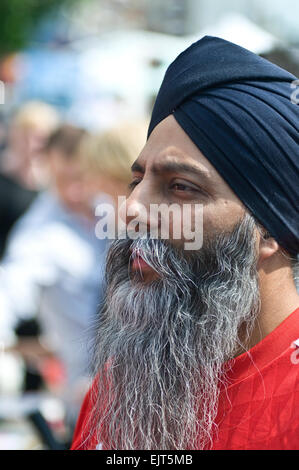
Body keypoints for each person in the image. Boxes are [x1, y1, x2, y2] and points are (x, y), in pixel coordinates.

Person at [71, 36, 299, 450]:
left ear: (268, 228)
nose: (132, 210)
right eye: (136, 181)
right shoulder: (122, 387)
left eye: (180, 186)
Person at [0, 121, 147, 428]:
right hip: (91, 401)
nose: (74, 188)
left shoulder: (119, 209)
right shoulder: (38, 235)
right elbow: (10, 290)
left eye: (81, 176)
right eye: (61, 178)